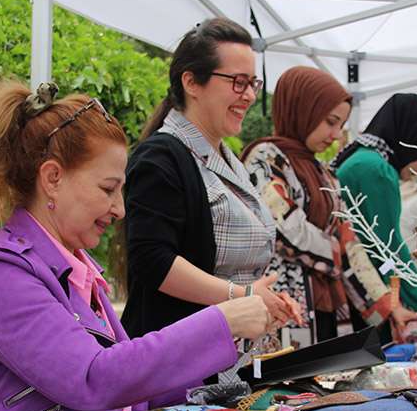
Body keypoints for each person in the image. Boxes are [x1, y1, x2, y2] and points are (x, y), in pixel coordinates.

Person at [0, 80, 271, 411]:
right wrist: (221, 322)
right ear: (52, 179)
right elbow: (92, 378)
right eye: (108, 189)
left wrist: (227, 390)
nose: (120, 209)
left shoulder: (74, 270)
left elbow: (130, 395)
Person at [121, 18, 301, 346]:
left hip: (229, 354)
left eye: (253, 83)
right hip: (181, 356)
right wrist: (243, 294)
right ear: (191, 82)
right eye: (238, 82)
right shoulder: (159, 158)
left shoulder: (228, 158)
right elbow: (152, 260)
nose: (249, 95)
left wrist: (264, 297)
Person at [242, 66, 417, 347]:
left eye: (341, 125)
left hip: (327, 308)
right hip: (283, 305)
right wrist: (338, 248)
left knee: (326, 373)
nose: (336, 135)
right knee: (289, 373)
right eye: (330, 122)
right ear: (303, 110)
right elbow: (286, 229)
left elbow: (351, 243)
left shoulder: (322, 172)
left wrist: (389, 308)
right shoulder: (265, 160)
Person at [333, 93, 417, 318]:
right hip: (364, 296)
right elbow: (387, 247)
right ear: (411, 140)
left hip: (352, 288)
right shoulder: (376, 170)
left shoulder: (360, 159)